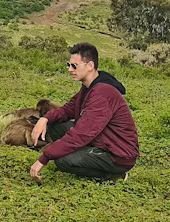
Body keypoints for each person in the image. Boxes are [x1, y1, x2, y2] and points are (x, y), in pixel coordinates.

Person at [29, 42, 139, 182]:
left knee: (63, 160)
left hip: (118, 155)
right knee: (54, 125)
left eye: (74, 66)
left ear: (90, 66)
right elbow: (68, 109)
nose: (70, 69)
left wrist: (44, 158)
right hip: (102, 140)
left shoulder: (102, 93)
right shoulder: (89, 87)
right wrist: (44, 119)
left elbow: (81, 134)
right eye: (68, 65)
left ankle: (112, 175)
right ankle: (87, 155)